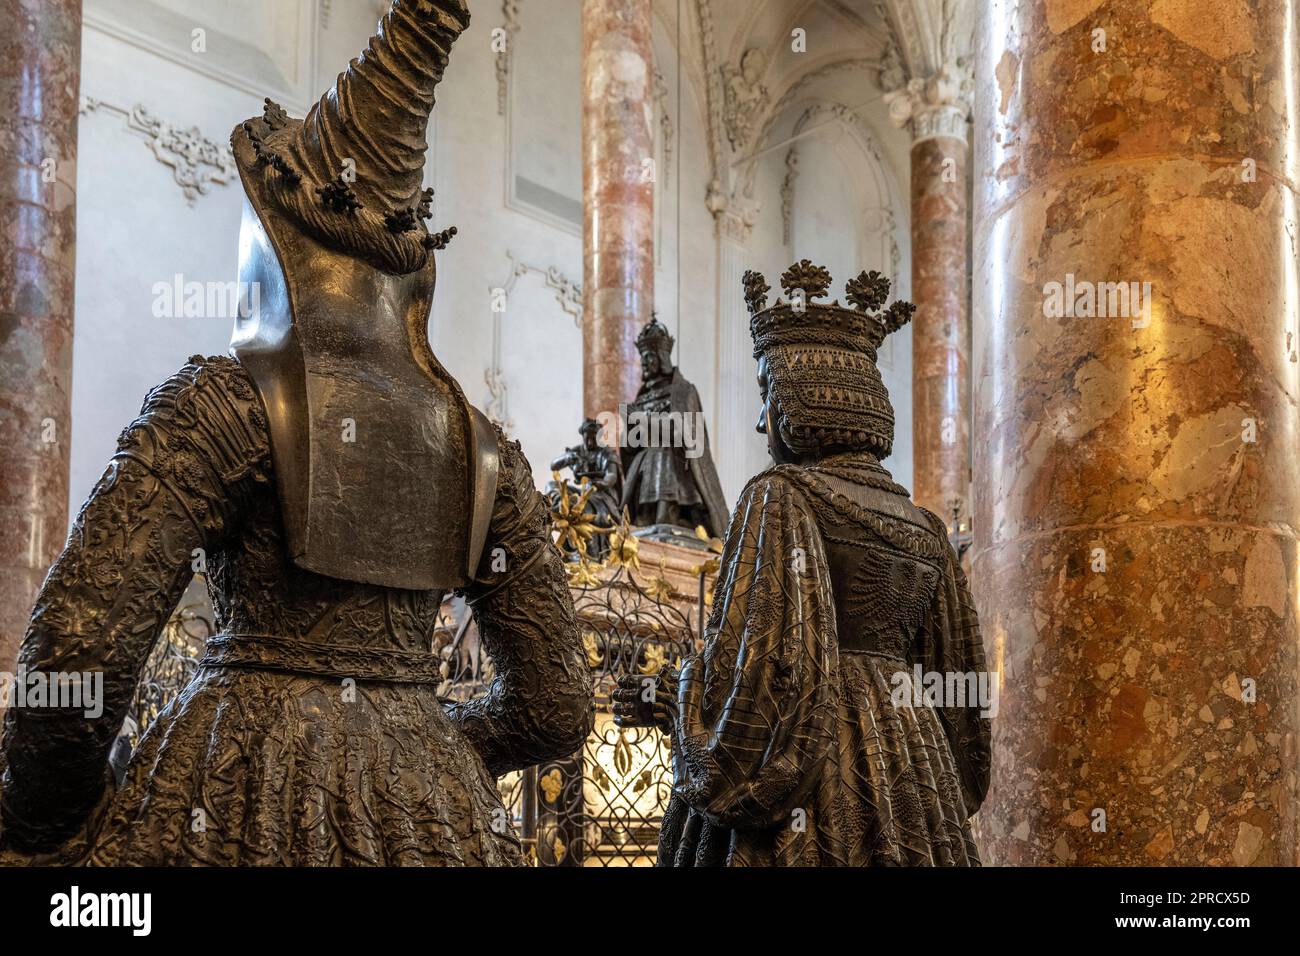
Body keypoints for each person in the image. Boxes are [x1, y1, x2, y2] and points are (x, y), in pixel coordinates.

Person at [0, 0, 591, 866]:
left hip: (229, 789)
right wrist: (430, 744)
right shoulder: (484, 452)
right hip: (432, 809)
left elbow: (77, 651)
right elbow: (558, 704)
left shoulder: (220, 407)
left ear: (277, 234)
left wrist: (43, 832)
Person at [614, 261, 990, 866]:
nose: (763, 422)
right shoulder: (928, 529)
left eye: (769, 396)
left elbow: (760, 679)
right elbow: (963, 705)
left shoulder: (781, 495)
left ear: (803, 398)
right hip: (911, 768)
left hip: (815, 767)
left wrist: (670, 696)